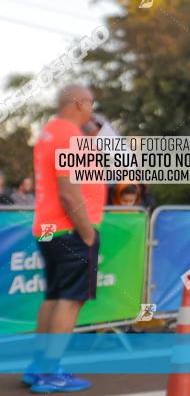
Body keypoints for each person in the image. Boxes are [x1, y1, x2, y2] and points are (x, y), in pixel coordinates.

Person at [25, 84, 106, 392]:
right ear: (78, 103)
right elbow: (69, 193)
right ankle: (48, 372)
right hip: (69, 229)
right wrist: (86, 233)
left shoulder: (51, 132)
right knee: (70, 301)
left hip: (49, 227)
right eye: (90, 104)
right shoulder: (69, 136)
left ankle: (40, 366)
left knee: (55, 297)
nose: (91, 110)